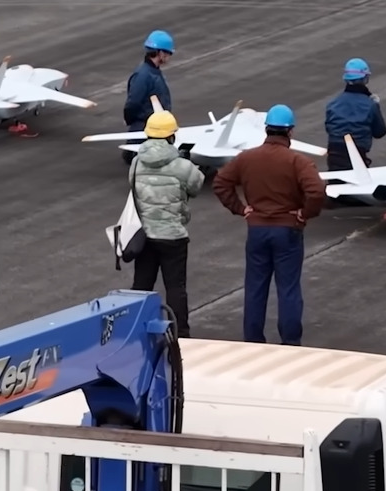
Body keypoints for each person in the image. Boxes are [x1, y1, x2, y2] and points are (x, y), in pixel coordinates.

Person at [213, 105, 326, 345]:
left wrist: (241, 208)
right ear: (290, 132)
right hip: (288, 230)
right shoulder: (298, 161)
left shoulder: (246, 158)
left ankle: (253, 339)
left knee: (255, 287)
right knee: (288, 288)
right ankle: (290, 342)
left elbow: (221, 182)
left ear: (266, 129)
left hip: (257, 230)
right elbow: (316, 191)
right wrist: (305, 214)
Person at [128, 111, 205, 337]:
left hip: (144, 236)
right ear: (171, 137)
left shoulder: (135, 163)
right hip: (173, 235)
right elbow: (196, 186)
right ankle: (180, 332)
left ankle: (134, 329)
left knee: (142, 286)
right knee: (175, 288)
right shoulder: (181, 166)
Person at [324, 58, 386, 172]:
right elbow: (380, 132)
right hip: (358, 158)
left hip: (334, 159)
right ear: (365, 79)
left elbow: (329, 128)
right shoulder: (370, 105)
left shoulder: (332, 105)